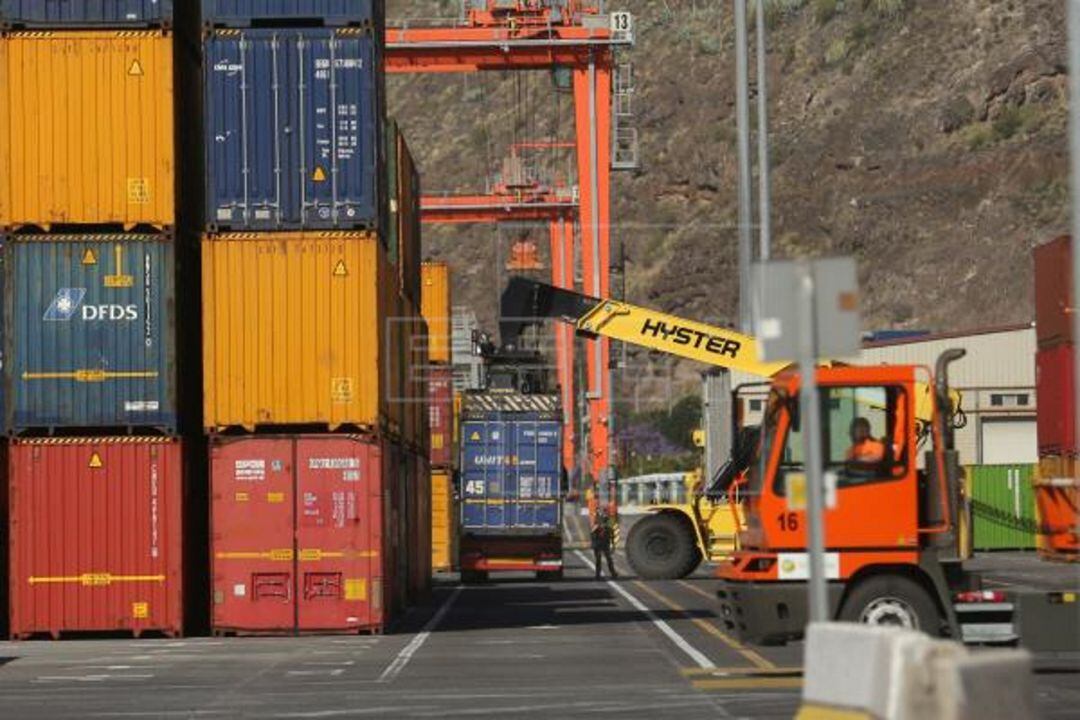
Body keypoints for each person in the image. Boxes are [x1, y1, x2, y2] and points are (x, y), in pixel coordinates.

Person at [591, 510, 618, 579]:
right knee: (598, 559)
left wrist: (613, 544)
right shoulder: (596, 523)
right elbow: (592, 533)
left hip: (605, 543)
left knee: (609, 559)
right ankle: (598, 574)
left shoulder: (609, 524)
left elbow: (612, 534)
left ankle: (613, 573)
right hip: (598, 544)